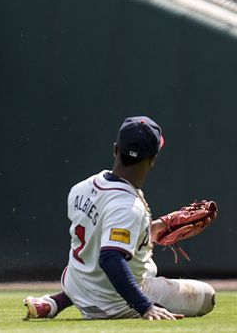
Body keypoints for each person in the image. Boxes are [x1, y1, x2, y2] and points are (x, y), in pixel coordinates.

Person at [23, 117, 216, 320]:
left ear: (115, 149)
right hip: (114, 302)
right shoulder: (128, 206)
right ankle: (129, 302)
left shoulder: (80, 188)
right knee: (207, 297)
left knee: (107, 256)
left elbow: (103, 231)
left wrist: (151, 230)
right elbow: (111, 259)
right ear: (152, 159)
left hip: (78, 285)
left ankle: (55, 302)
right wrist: (145, 306)